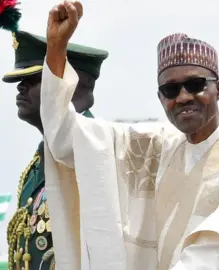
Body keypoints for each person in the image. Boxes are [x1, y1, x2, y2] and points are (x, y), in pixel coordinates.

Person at [38, 1, 219, 269]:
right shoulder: (153, 149)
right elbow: (64, 139)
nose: (183, 97)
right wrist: (56, 50)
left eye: (195, 85)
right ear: (160, 97)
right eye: (170, 90)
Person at [2, 29, 108, 269]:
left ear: (72, 84)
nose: (20, 87)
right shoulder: (37, 165)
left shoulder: (98, 153)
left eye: (35, 78)